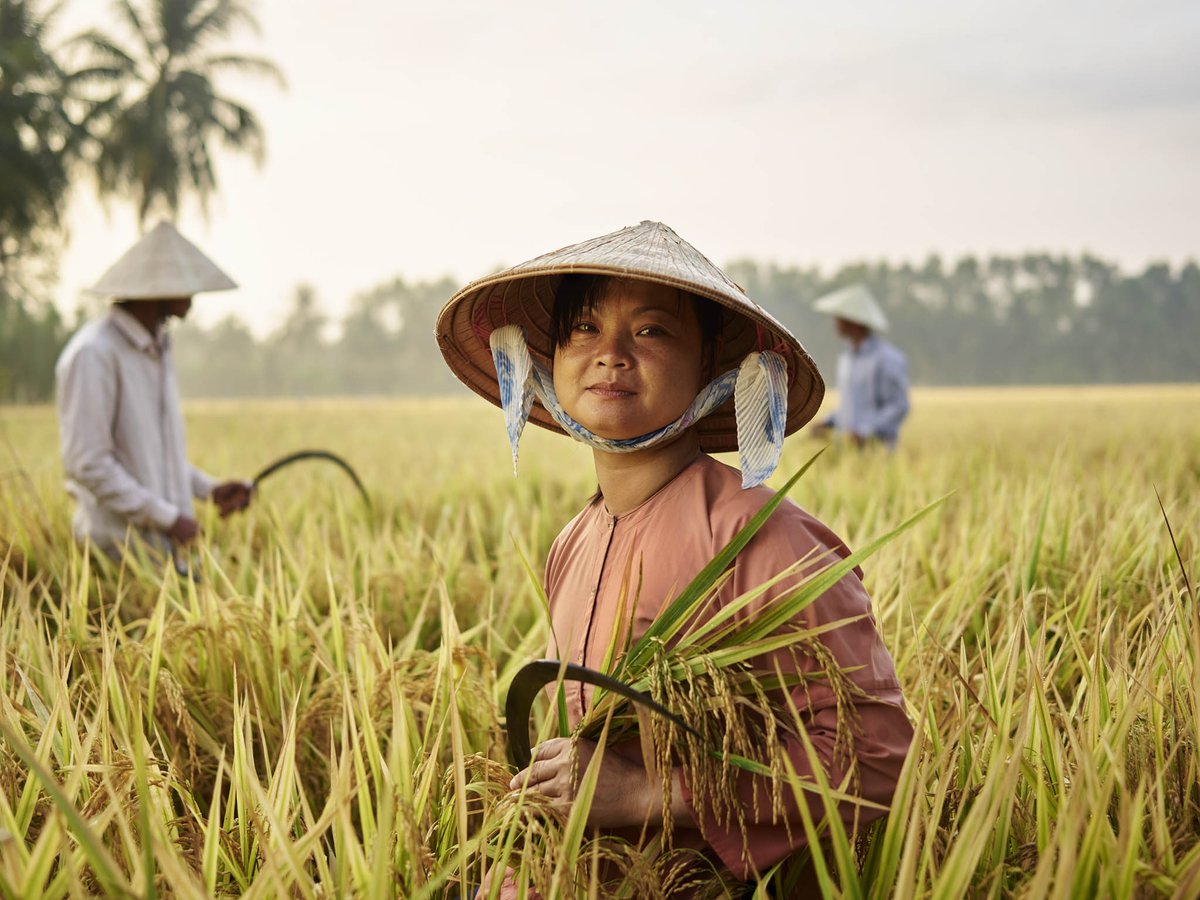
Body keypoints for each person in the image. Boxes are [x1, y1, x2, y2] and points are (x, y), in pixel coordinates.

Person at [437, 221, 913, 896]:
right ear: (547, 360)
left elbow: (876, 761)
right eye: (584, 330)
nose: (610, 355)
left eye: (652, 331)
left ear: (714, 365)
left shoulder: (761, 540)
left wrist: (647, 797)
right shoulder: (572, 541)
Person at [55, 221, 253, 568]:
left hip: (162, 553)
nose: (193, 295)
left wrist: (208, 490)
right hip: (117, 555)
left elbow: (153, 454)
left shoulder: (156, 348)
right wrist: (168, 518)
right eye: (185, 285)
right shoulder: (95, 353)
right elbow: (89, 463)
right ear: (159, 289)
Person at [812, 284, 910, 448]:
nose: (835, 322)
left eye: (839, 317)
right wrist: (828, 423)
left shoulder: (887, 359)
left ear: (854, 321)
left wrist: (865, 432)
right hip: (848, 452)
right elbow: (851, 407)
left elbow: (898, 406)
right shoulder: (847, 358)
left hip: (878, 452)